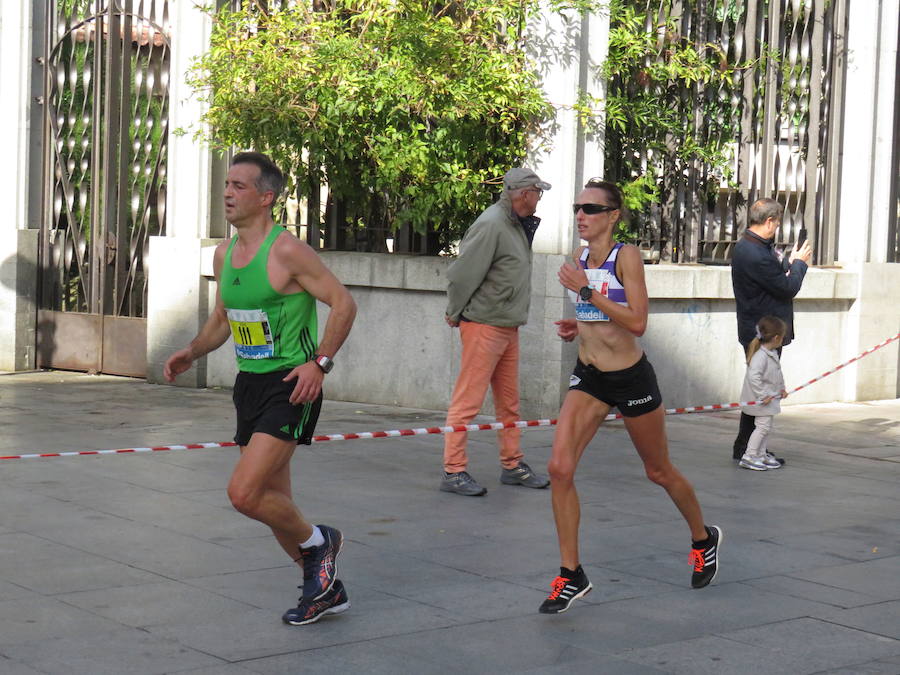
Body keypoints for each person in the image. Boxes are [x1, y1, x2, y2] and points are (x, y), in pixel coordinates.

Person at [163, 151, 357, 626]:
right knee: (275, 502)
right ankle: (323, 588)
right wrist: (192, 351)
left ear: (266, 197)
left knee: (244, 493)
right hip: (248, 385)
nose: (227, 193)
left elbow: (343, 303)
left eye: (239, 186)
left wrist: (321, 364)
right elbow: (223, 319)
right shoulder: (224, 253)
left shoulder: (287, 250)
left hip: (290, 385)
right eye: (226, 184)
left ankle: (319, 542)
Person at [539, 178, 721, 615]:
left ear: (613, 215)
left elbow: (638, 321)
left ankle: (703, 537)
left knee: (658, 471)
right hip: (590, 377)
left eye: (591, 208)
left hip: (631, 379)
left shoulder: (627, 256)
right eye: (577, 207)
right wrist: (578, 324)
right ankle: (571, 574)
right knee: (559, 468)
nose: (581, 215)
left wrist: (586, 293)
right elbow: (599, 315)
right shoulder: (580, 258)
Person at [440, 167, 552, 496]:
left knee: (509, 403)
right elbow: (462, 274)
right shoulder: (492, 224)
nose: (539, 200)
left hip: (505, 322)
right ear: (524, 194)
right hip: (485, 323)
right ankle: (453, 470)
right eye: (537, 193)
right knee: (467, 402)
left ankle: (512, 463)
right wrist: (454, 311)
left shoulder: (513, 223)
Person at [731, 198, 812, 463]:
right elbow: (788, 288)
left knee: (759, 390)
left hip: (760, 329)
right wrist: (800, 264)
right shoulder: (754, 253)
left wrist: (790, 263)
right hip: (763, 333)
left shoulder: (754, 247)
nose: (777, 228)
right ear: (769, 222)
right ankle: (749, 449)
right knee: (761, 391)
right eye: (776, 223)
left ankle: (748, 446)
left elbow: (776, 277)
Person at [737, 316, 788, 471]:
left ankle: (760, 454)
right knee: (762, 427)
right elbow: (754, 377)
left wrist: (781, 389)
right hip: (761, 400)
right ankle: (750, 455)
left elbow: (776, 375)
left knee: (765, 427)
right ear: (776, 338)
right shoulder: (761, 356)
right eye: (783, 337)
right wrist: (762, 395)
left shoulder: (769, 353)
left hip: (768, 398)